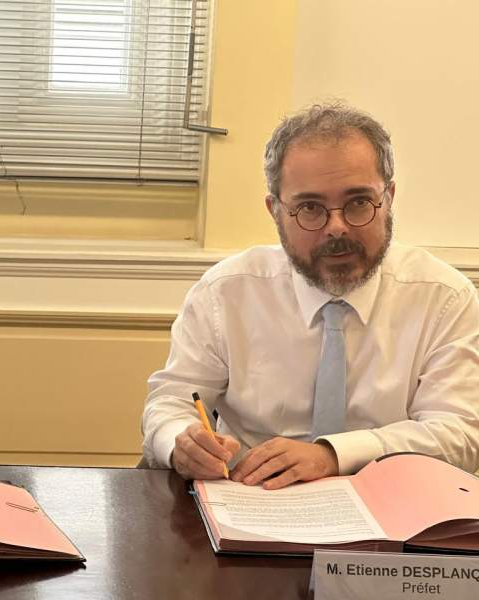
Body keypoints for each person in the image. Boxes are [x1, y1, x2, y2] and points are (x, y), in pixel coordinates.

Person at [142, 103, 479, 489]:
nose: (336, 227)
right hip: (251, 498)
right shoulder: (225, 293)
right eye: (310, 208)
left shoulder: (444, 298)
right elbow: (170, 402)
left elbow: (460, 433)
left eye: (358, 202)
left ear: (389, 197)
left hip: (393, 503)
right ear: (275, 210)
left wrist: (333, 455)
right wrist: (181, 442)